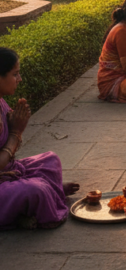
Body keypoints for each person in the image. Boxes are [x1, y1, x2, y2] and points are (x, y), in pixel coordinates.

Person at [0, 47, 80, 229]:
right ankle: (40, 200)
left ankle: (53, 191)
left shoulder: (1, 101)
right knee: (36, 191)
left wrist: (14, 125)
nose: (19, 79)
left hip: (8, 171)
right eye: (15, 74)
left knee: (50, 160)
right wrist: (15, 133)